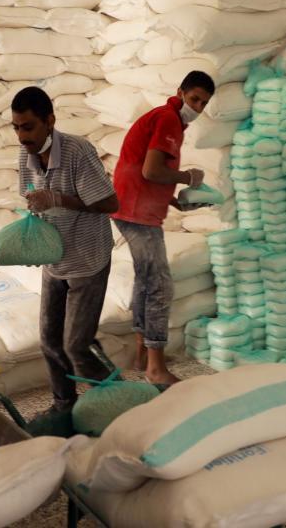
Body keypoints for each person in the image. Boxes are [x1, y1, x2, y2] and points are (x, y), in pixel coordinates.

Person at [12, 86, 120, 413]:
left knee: (76, 345)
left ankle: (117, 399)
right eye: (16, 127)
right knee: (49, 342)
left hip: (87, 258)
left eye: (27, 127)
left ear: (50, 121)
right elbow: (32, 198)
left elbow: (109, 203)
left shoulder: (77, 151)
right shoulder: (26, 154)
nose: (21, 136)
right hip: (54, 258)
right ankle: (64, 406)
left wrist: (59, 199)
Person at [111, 71, 216, 385]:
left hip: (130, 206)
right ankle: (156, 368)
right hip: (135, 212)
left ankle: (144, 352)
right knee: (159, 285)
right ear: (180, 91)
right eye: (194, 99)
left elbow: (148, 173)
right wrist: (188, 178)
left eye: (203, 104)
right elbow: (152, 169)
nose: (197, 107)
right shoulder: (169, 119)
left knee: (146, 280)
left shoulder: (166, 118)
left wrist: (172, 201)